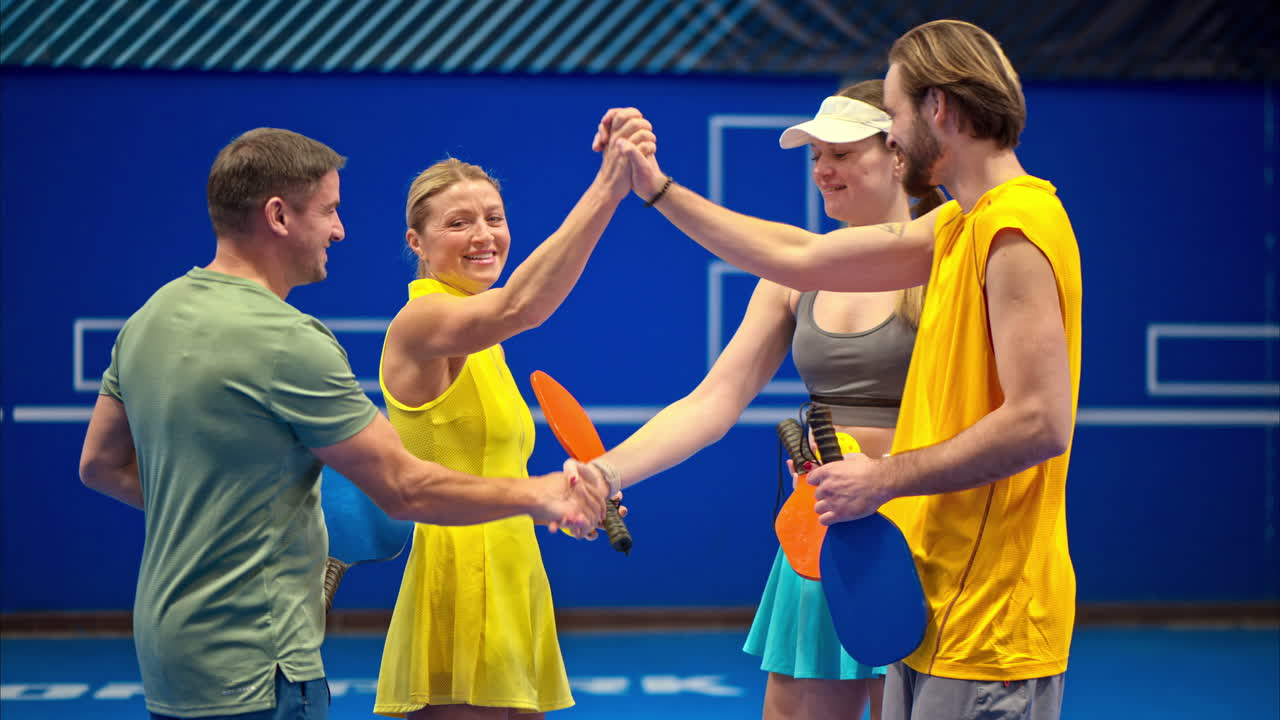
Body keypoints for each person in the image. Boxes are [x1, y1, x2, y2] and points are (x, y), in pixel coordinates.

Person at [594, 18, 1082, 720]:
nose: (825, 167)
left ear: (930, 116)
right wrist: (657, 189)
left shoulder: (1000, 229)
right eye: (815, 153)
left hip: (963, 588)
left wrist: (883, 478)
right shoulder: (958, 230)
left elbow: (1040, 420)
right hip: (904, 572)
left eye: (887, 121)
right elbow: (794, 260)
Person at [78, 127, 611, 720]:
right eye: (330, 210)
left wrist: (236, 517)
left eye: (493, 216)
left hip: (172, 642)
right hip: (264, 658)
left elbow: (100, 466)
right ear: (279, 216)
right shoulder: (295, 342)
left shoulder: (149, 319)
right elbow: (405, 487)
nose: (340, 229)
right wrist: (613, 184)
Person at [574, 81, 942, 720]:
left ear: (899, 155)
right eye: (815, 156)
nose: (822, 170)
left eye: (842, 153)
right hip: (824, 536)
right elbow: (711, 403)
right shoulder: (791, 280)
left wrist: (658, 188)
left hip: (931, 536)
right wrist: (607, 473)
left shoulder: (948, 256)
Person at [371, 114, 654, 719]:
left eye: (494, 219)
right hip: (459, 578)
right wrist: (610, 187)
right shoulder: (422, 322)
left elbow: (496, 470)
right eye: (459, 223)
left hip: (513, 568)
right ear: (415, 242)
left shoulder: (484, 336)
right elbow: (523, 304)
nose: (484, 235)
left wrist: (568, 497)